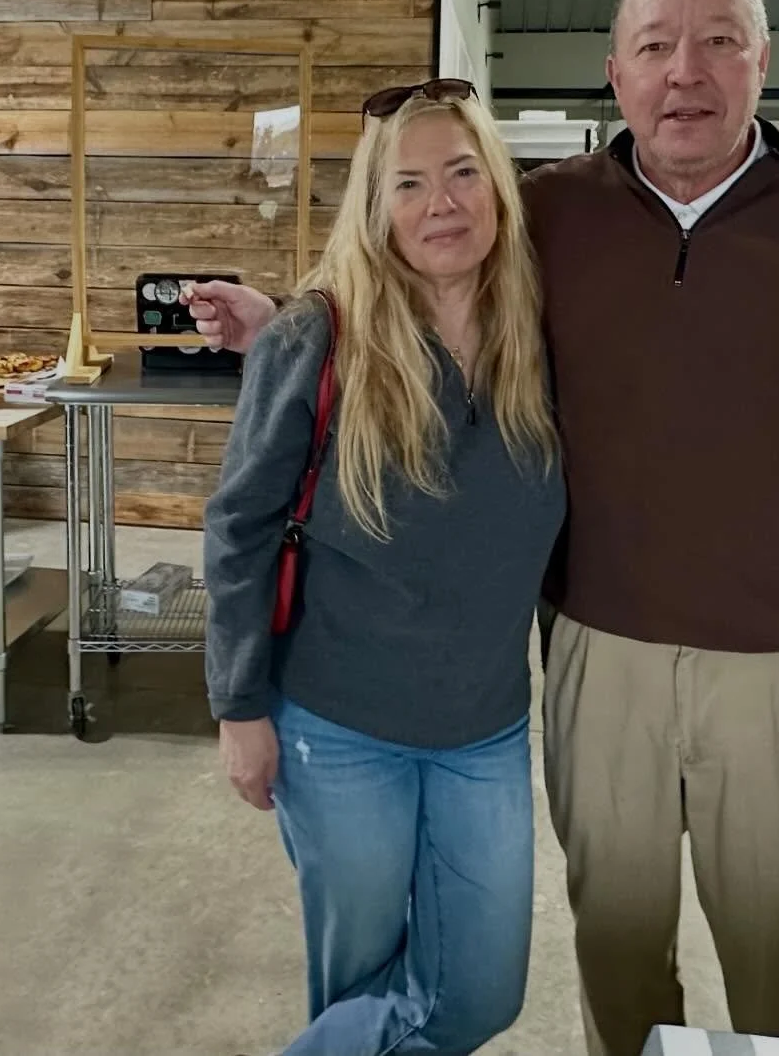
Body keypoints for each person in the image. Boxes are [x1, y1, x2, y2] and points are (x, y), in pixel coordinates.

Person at [189, 0, 779, 1054]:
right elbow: (417, 271)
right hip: (598, 661)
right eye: (656, 45)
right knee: (617, 960)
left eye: (718, 41)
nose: (688, 72)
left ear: (762, 60)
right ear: (614, 74)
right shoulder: (554, 217)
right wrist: (284, 320)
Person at [201, 80, 564, 1056]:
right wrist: (239, 708)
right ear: (376, 208)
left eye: (461, 173)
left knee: (481, 991)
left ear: (498, 187)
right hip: (338, 727)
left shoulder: (542, 335)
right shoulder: (316, 335)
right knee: (359, 980)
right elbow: (240, 526)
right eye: (408, 183)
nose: (440, 202)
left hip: (485, 726)